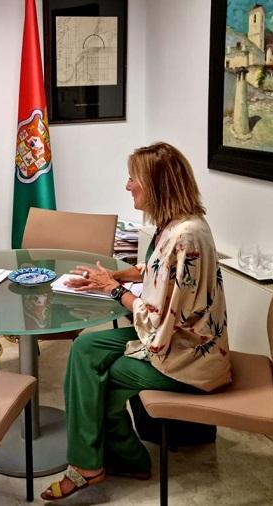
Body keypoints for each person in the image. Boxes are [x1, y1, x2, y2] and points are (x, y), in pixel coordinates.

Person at [41, 142, 231, 501]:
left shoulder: (185, 237)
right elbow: (156, 274)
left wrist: (114, 290)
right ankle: (118, 458)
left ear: (157, 185)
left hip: (189, 358)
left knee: (105, 378)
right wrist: (114, 275)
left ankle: (97, 463)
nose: (128, 186)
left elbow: (157, 318)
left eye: (134, 179)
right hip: (179, 341)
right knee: (85, 347)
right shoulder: (176, 226)